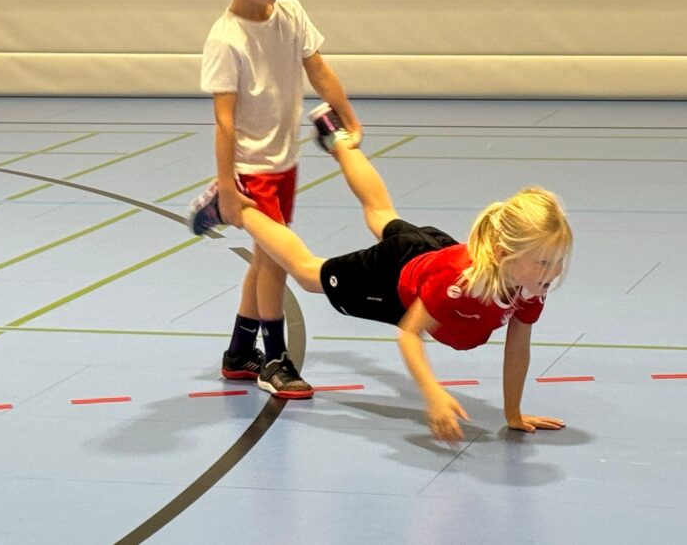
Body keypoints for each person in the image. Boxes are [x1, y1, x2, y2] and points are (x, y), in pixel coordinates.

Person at [187, 106, 572, 442]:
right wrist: (432, 393)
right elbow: (408, 333)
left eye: (557, 262)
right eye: (544, 262)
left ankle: (337, 138)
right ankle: (232, 207)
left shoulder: (528, 283)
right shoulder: (461, 284)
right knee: (307, 273)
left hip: (429, 252)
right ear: (506, 254)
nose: (552, 273)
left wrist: (513, 414)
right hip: (392, 278)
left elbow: (518, 346)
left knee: (380, 213)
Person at [194, 0, 362, 399]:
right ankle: (274, 359)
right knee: (275, 265)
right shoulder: (225, 40)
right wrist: (228, 187)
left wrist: (348, 117)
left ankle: (239, 353)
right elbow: (224, 120)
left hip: (284, 163)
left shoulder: (291, 13)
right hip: (252, 171)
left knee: (263, 263)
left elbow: (319, 70)